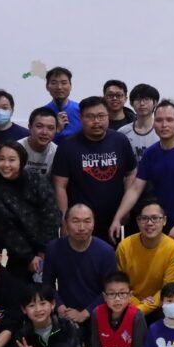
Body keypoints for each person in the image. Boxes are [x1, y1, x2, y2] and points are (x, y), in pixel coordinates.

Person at [110, 99, 174, 243]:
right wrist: (118, 217)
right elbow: (135, 188)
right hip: (162, 222)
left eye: (169, 120)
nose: (164, 125)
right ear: (154, 123)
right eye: (159, 120)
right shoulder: (150, 153)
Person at [52, 96, 137, 242]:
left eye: (101, 116)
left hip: (114, 217)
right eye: (90, 117)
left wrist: (125, 208)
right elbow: (60, 186)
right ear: (80, 118)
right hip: (80, 221)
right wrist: (64, 219)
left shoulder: (120, 140)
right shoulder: (68, 146)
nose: (96, 121)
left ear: (108, 116)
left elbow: (131, 173)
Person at [0, 142, 61, 281]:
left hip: (47, 247)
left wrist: (43, 250)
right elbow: (6, 228)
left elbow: (51, 215)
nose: (6, 164)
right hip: (18, 253)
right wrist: (29, 257)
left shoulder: (37, 179)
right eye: (1, 159)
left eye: (12, 160)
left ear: (22, 161)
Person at [42, 204, 116, 330]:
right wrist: (60, 307)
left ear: (93, 224)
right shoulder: (53, 248)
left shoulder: (106, 252)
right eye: (75, 221)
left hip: (97, 312)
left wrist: (85, 314)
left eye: (87, 221)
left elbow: (111, 290)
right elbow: (46, 284)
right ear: (65, 223)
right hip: (64, 312)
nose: (82, 228)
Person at [114, 202, 174, 318]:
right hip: (128, 303)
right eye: (144, 218)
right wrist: (137, 305)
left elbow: (168, 288)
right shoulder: (125, 246)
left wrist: (142, 309)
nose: (149, 223)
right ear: (138, 221)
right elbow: (119, 283)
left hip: (160, 305)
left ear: (164, 220)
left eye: (155, 218)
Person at [119, 83, 160, 168]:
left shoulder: (163, 130)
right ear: (131, 103)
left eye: (146, 99)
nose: (142, 103)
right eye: (137, 99)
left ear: (155, 102)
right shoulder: (122, 132)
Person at [18, 107, 59, 179]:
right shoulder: (16, 149)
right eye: (39, 126)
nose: (44, 132)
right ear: (29, 127)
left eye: (50, 128)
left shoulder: (57, 153)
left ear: (56, 130)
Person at [45, 66, 81, 142]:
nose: (59, 87)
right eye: (54, 83)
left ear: (70, 86)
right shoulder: (42, 113)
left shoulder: (81, 110)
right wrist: (56, 130)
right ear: (47, 87)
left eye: (64, 83)